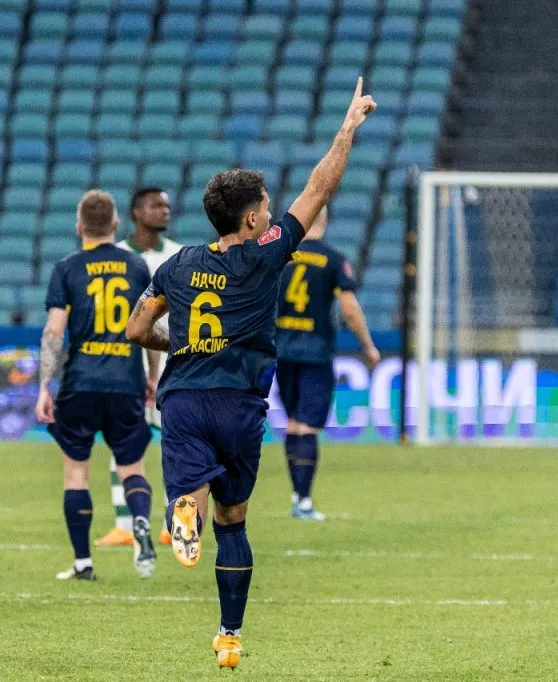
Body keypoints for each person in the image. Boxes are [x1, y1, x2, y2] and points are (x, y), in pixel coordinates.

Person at [126, 78, 376, 669]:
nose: (270, 208)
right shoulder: (266, 253)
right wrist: (347, 129)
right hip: (240, 405)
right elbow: (320, 186)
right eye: (264, 203)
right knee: (233, 522)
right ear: (248, 219)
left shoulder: (180, 263)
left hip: (184, 398)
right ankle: (229, 635)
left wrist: (181, 343)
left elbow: (136, 331)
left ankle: (182, 503)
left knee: (189, 491)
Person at [36, 189, 157, 580]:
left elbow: (54, 332)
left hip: (82, 381)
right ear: (117, 224)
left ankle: (83, 563)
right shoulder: (137, 266)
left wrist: (43, 386)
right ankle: (139, 524)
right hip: (126, 379)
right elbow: (149, 327)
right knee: (132, 467)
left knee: (76, 473)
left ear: (79, 227)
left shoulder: (67, 269)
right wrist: (153, 376)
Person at [275, 206, 380, 520]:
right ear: (326, 220)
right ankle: (304, 502)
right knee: (308, 426)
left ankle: (297, 496)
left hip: (282, 350)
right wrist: (368, 346)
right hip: (315, 352)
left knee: (294, 422)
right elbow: (349, 308)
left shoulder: (281, 257)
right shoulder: (333, 259)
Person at [96, 187, 182, 549]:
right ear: (135, 212)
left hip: (172, 366)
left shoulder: (179, 255)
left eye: (166, 205)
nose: (164, 211)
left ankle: (172, 523)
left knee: (176, 445)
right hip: (127, 368)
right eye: (155, 205)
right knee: (123, 447)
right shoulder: (115, 257)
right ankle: (125, 525)